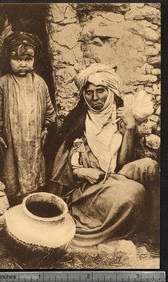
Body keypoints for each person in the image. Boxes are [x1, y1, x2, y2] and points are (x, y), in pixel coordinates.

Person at [49, 63, 159, 247]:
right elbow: (62, 170)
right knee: (134, 192)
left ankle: (155, 231)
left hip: (114, 175)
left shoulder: (122, 117)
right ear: (83, 95)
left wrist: (130, 128)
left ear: (111, 92)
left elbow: (123, 162)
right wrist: (82, 172)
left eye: (100, 91)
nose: (95, 98)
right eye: (89, 92)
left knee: (150, 166)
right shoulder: (78, 122)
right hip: (88, 187)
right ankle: (119, 226)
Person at [0, 32, 56, 206]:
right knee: (12, 176)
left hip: (34, 140)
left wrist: (46, 128)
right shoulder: (3, 84)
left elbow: (50, 112)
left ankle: (32, 203)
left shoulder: (40, 83)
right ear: (8, 59)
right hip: (12, 140)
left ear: (34, 59)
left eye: (28, 59)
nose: (23, 63)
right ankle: (16, 204)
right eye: (17, 59)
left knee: (34, 175)